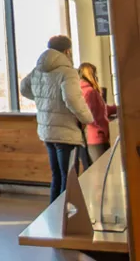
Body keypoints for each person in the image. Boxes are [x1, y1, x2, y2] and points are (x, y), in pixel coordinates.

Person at [20, 35, 94, 202]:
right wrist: (87, 118)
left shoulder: (37, 70)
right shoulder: (68, 72)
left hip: (47, 131)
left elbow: (24, 88)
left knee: (57, 176)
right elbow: (72, 99)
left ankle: (54, 212)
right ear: (67, 51)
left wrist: (44, 101)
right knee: (69, 177)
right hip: (66, 132)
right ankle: (65, 214)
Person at [78, 62, 117, 168]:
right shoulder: (91, 92)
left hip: (88, 138)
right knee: (104, 170)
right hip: (97, 137)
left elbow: (100, 109)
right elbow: (95, 116)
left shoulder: (80, 91)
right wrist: (106, 132)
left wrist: (116, 108)